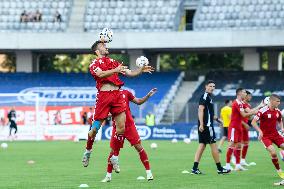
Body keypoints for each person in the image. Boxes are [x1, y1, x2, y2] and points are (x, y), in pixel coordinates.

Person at [82, 40, 154, 166]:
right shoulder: (94, 63)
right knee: (94, 130)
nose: (106, 47)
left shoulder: (113, 62)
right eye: (103, 46)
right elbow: (101, 74)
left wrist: (140, 70)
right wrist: (116, 69)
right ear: (97, 51)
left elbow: (130, 73)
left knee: (121, 128)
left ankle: (114, 156)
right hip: (104, 97)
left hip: (117, 96)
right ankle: (88, 150)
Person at [101, 88, 157, 182]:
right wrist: (109, 114)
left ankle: (149, 173)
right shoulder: (108, 96)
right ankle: (108, 176)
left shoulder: (126, 93)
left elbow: (138, 101)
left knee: (139, 147)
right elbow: (107, 112)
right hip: (117, 127)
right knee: (113, 151)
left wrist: (147, 96)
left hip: (129, 126)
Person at [191, 80, 230, 175]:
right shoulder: (205, 96)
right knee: (214, 146)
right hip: (207, 126)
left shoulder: (208, 97)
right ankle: (220, 168)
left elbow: (209, 113)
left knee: (202, 145)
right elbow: (200, 110)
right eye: (210, 86)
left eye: (213, 86)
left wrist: (217, 120)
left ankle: (194, 168)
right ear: (206, 86)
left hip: (205, 125)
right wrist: (201, 124)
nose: (212, 88)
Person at [224, 88, 260, 171]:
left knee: (239, 145)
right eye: (244, 92)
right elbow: (244, 114)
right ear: (240, 93)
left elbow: (249, 111)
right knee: (232, 145)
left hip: (239, 127)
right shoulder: (236, 103)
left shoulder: (241, 103)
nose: (245, 93)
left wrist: (260, 107)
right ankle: (227, 165)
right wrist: (255, 112)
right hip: (233, 127)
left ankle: (237, 165)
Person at [251, 94, 284, 179]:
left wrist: (282, 128)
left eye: (279, 101)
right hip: (265, 136)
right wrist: (260, 132)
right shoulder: (262, 110)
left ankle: (282, 153)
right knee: (273, 153)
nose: (279, 103)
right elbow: (253, 122)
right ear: (272, 101)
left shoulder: (277, 111)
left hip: (275, 134)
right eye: (277, 101)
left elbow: (280, 120)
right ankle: (279, 170)